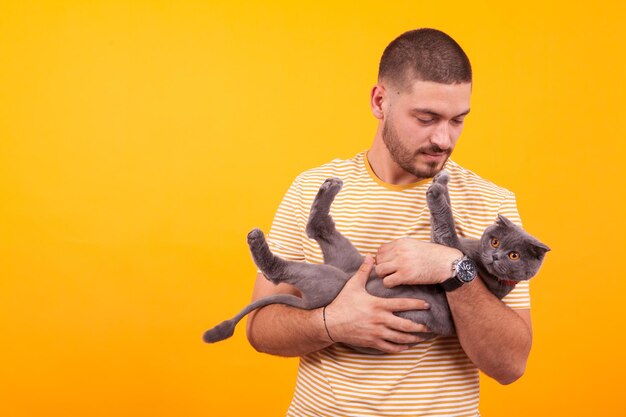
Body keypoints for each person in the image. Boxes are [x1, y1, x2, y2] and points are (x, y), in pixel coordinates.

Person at [246, 28, 532, 416]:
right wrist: (332, 323)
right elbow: (259, 329)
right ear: (381, 101)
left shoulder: (491, 205)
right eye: (426, 118)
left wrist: (456, 269)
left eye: (458, 120)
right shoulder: (312, 187)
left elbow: (510, 365)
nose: (444, 139)